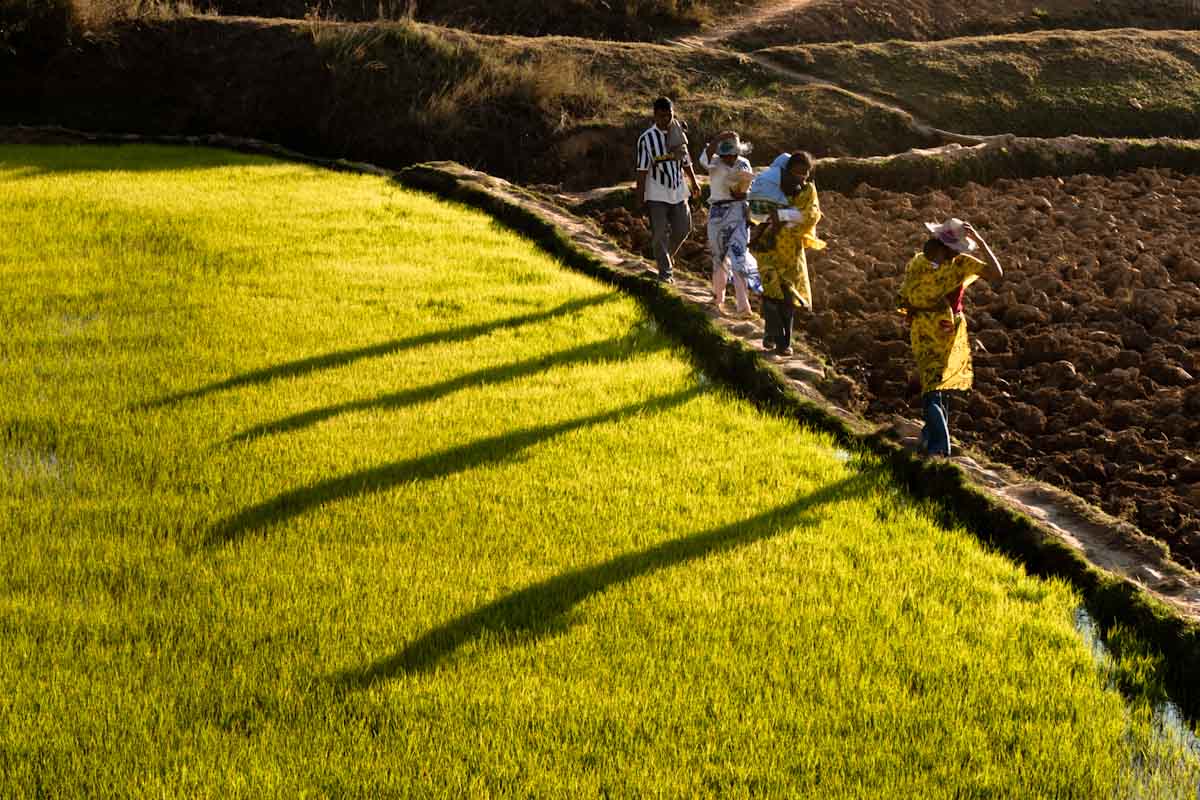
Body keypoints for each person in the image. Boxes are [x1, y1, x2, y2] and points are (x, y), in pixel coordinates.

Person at [897, 218, 1003, 458]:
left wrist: (981, 241)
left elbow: (997, 274)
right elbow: (907, 293)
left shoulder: (960, 265)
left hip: (944, 330)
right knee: (937, 386)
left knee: (931, 389)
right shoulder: (919, 264)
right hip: (924, 330)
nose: (955, 253)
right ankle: (929, 436)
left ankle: (940, 448)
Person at [752, 151, 825, 357]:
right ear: (787, 171)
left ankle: (784, 343)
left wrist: (782, 215)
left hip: (791, 252)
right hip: (769, 247)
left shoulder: (808, 192)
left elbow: (811, 216)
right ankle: (772, 334)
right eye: (797, 172)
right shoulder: (775, 189)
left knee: (787, 299)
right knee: (770, 294)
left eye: (805, 173)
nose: (801, 177)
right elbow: (761, 214)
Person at [635, 97, 701, 284]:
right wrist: (640, 198)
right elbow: (641, 171)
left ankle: (666, 258)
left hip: (678, 190)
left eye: (669, 115)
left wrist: (694, 183)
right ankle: (666, 274)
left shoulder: (678, 133)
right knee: (659, 233)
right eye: (662, 116)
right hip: (657, 192)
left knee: (684, 227)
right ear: (655, 115)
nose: (666, 120)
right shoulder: (646, 139)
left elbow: (686, 161)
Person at [698, 131, 760, 317]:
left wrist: (744, 195)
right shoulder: (714, 162)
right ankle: (718, 298)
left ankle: (743, 306)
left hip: (738, 212)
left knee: (738, 256)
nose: (730, 159)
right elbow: (702, 159)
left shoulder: (744, 164)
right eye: (726, 155)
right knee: (719, 257)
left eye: (733, 155)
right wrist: (717, 138)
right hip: (717, 213)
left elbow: (751, 188)